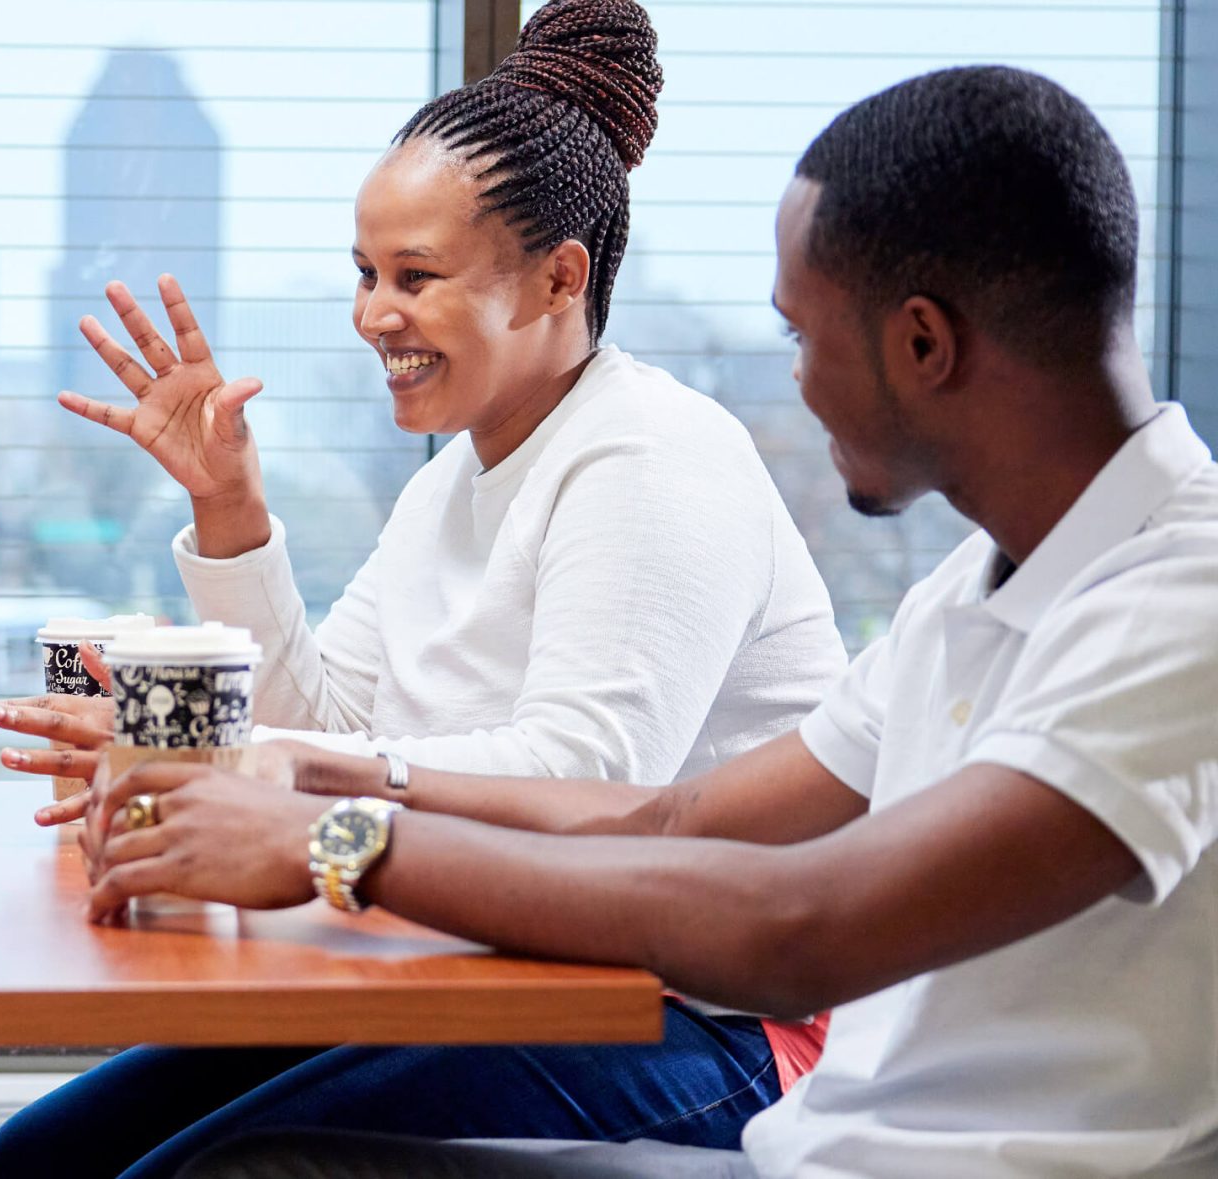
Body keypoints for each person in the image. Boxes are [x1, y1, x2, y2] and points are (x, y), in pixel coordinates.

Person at [85, 65, 1218, 1179]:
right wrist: (294, 779)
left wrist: (333, 837)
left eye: (800, 337)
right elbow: (670, 818)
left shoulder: (1182, 603)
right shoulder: (974, 590)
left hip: (766, 1064)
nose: (798, 387)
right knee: (67, 1152)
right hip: (816, 1138)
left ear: (922, 344)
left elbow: (798, 926)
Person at [0, 4, 846, 1175]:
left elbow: (591, 783)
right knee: (46, 1158)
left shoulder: (648, 457)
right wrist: (228, 508)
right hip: (497, 966)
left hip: (710, 1021)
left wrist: (303, 779)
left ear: (557, 279)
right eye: (364, 274)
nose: (371, 315)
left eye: (415, 276)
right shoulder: (454, 484)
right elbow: (327, 726)